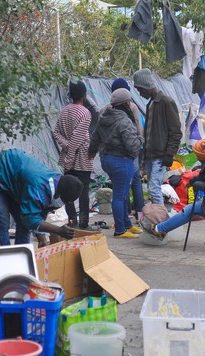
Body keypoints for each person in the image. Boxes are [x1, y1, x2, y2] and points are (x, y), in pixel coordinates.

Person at [0, 149, 83, 246]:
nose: (61, 204)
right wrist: (58, 230)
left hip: (14, 178)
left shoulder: (57, 182)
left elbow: (38, 212)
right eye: (64, 201)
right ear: (59, 194)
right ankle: (7, 261)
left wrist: (41, 236)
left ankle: (21, 258)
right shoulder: (37, 188)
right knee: (2, 223)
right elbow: (29, 218)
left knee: (23, 224)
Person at [89, 88, 144, 238]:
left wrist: (92, 152)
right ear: (127, 103)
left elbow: (95, 138)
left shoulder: (104, 117)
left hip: (107, 159)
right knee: (120, 195)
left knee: (123, 193)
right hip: (121, 161)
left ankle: (127, 224)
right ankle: (120, 230)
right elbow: (132, 145)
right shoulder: (123, 120)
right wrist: (140, 140)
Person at [133, 68, 182, 205]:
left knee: (154, 189)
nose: (140, 93)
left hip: (160, 155)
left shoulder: (166, 102)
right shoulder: (151, 104)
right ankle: (158, 218)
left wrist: (170, 153)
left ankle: (162, 222)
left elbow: (176, 131)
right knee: (151, 188)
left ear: (147, 86)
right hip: (151, 155)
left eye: (140, 89)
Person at [102, 78, 145, 221]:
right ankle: (138, 214)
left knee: (120, 186)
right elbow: (138, 128)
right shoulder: (131, 107)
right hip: (128, 152)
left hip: (111, 155)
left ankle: (125, 215)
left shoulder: (106, 109)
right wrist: (138, 144)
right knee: (134, 181)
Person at [53, 80, 93, 230]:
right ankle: (83, 224)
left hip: (67, 157)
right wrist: (71, 151)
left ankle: (72, 221)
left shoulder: (64, 111)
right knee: (83, 192)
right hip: (81, 157)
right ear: (84, 95)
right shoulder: (85, 113)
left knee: (67, 190)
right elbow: (78, 137)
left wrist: (66, 146)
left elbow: (56, 132)